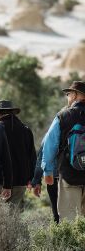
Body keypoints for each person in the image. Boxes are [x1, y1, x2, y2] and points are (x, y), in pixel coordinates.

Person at [42, 81, 85, 220]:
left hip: (69, 174)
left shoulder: (63, 116)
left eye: (68, 93)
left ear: (76, 95)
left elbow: (50, 145)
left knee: (69, 220)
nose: (67, 96)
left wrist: (48, 171)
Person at [0, 100, 36, 210]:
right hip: (21, 180)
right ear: (13, 112)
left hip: (0, 180)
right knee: (14, 215)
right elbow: (32, 157)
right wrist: (31, 178)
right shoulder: (25, 130)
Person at [32, 142, 59, 223]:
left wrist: (37, 181)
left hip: (54, 178)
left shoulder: (53, 132)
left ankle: (60, 233)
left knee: (57, 214)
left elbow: (41, 160)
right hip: (78, 177)